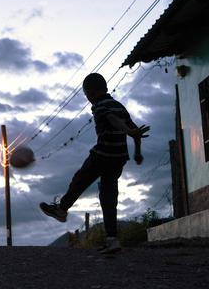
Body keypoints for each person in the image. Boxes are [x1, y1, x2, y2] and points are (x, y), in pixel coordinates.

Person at [39, 73, 149, 254]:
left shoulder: (100, 106)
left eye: (86, 94)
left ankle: (61, 210)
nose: (87, 98)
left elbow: (114, 121)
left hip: (103, 154)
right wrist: (137, 150)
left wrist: (128, 131)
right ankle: (112, 239)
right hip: (119, 158)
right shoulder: (119, 106)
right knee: (108, 196)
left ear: (89, 92)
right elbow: (135, 130)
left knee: (80, 179)